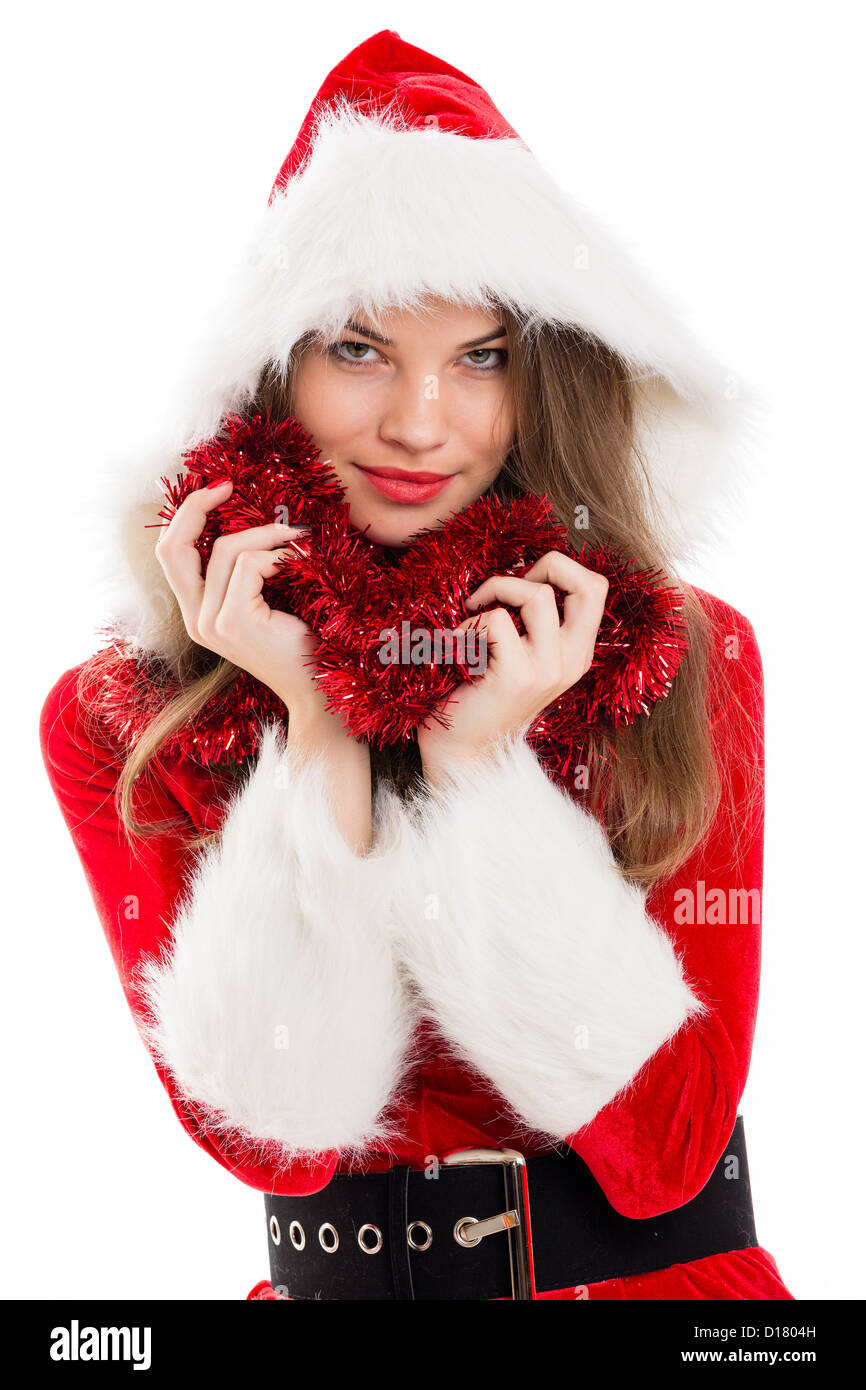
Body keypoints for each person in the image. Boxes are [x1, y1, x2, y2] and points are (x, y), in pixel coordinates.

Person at [39, 29, 794, 1300]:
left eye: (480, 356)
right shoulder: (120, 718)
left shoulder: (675, 654)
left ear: (544, 372)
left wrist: (476, 767)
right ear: (271, 367)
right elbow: (268, 1140)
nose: (418, 421)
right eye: (358, 348)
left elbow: (668, 1154)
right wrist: (316, 733)